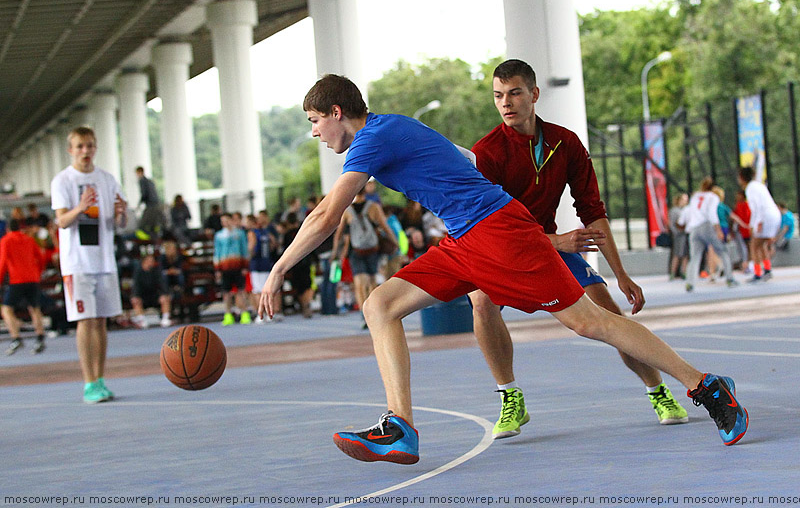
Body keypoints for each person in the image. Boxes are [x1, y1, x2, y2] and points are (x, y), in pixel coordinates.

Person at [259, 74, 748, 465]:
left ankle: (706, 385)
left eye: (314, 121)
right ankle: (400, 429)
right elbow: (466, 157)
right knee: (379, 304)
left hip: (499, 232)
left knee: (590, 323)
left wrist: (280, 268)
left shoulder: (372, 138)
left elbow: (327, 215)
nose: (315, 132)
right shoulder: (394, 128)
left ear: (337, 112)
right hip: (464, 238)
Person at [470, 59, 685, 438]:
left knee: (611, 315)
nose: (506, 102)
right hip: (502, 248)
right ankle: (510, 398)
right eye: (498, 95)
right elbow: (496, 229)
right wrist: (559, 241)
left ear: (534, 95)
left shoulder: (565, 143)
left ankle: (659, 392)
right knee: (481, 299)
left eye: (515, 93)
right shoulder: (487, 153)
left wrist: (621, 274)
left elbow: (593, 212)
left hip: (551, 248)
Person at [51, 126, 128, 403]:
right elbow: (61, 220)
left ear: (95, 148)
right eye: (80, 146)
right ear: (71, 150)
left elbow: (119, 223)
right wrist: (81, 207)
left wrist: (121, 214)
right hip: (77, 263)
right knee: (86, 320)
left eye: (90, 146)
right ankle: (88, 382)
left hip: (104, 261)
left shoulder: (107, 179)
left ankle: (101, 378)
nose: (86, 151)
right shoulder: (63, 181)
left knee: (101, 321)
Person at [331, 186, 397, 327]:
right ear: (365, 192)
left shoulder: (347, 211)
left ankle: (364, 314)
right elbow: (385, 227)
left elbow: (339, 234)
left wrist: (335, 252)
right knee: (372, 281)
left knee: (360, 283)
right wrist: (395, 242)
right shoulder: (373, 207)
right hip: (373, 250)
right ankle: (374, 312)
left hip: (356, 251)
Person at [678, 177, 738, 292]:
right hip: (706, 226)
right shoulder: (712, 197)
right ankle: (730, 278)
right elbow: (711, 214)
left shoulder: (695, 196)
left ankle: (690, 283)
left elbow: (690, 211)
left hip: (694, 228)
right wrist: (718, 229)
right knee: (722, 251)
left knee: (694, 257)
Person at [1, 219, 47, 355]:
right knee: (35, 308)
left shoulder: (6, 240)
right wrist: (38, 273)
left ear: (8, 229)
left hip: (17, 280)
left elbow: (3, 262)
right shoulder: (29, 239)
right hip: (32, 278)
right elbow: (41, 257)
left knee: (6, 309)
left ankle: (16, 337)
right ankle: (40, 337)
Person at [737, 166, 781, 282]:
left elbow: (757, 207)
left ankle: (757, 273)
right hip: (773, 215)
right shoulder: (758, 185)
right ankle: (767, 269)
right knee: (761, 245)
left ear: (742, 177)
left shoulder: (750, 188)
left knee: (754, 245)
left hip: (765, 217)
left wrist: (756, 223)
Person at [214, 212, 250, 325]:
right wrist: (217, 269)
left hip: (238, 265)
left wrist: (245, 265)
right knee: (226, 292)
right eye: (222, 221)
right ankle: (228, 314)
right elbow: (217, 252)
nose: (224, 223)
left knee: (241, 290)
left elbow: (244, 250)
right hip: (225, 266)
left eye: (226, 220)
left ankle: (245, 313)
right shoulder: (219, 235)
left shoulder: (239, 234)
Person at [248, 210, 282, 323]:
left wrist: (249, 257)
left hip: (257, 264)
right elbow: (274, 245)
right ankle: (272, 313)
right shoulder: (267, 233)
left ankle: (261, 314)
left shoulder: (252, 233)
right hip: (267, 263)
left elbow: (252, 248)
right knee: (270, 290)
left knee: (258, 291)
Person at [130, 254, 172, 329]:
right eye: (149, 261)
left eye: (152, 261)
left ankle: (165, 318)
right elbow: (135, 286)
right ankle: (141, 320)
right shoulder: (138, 272)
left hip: (154, 296)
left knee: (165, 298)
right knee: (135, 300)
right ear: (144, 262)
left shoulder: (156, 270)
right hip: (143, 296)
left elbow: (162, 284)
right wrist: (135, 296)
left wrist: (165, 294)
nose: (151, 263)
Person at [135, 166, 163, 240]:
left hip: (150, 205)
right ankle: (155, 240)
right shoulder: (150, 181)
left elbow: (144, 194)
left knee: (143, 225)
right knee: (153, 225)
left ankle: (149, 239)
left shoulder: (142, 181)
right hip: (156, 204)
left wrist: (139, 204)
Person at [668, 193, 690, 280]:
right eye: (684, 199)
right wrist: (676, 232)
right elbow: (672, 224)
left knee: (685, 255)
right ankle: (673, 273)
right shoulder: (675, 211)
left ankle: (683, 272)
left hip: (685, 234)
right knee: (677, 254)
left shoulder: (685, 209)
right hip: (679, 235)